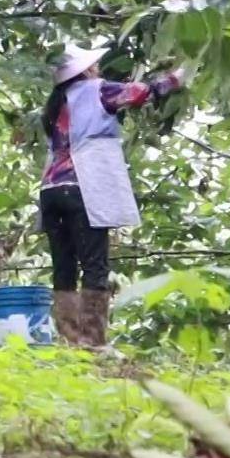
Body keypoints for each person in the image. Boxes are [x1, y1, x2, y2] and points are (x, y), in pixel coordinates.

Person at [41, 45, 185, 347]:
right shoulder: (97, 90)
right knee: (95, 266)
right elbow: (143, 92)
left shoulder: (55, 104)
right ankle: (92, 342)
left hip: (51, 190)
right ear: (86, 70)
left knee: (63, 267)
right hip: (84, 185)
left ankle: (69, 341)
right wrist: (181, 76)